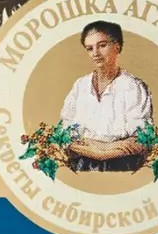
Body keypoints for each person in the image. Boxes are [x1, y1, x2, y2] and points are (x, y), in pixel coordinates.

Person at [60, 21, 152, 173]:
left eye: (102, 45)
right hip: (81, 165)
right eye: (90, 48)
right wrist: (101, 150)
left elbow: (142, 139)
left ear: (117, 47)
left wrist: (102, 151)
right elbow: (65, 133)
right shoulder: (80, 85)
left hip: (122, 167)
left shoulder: (132, 86)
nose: (95, 53)